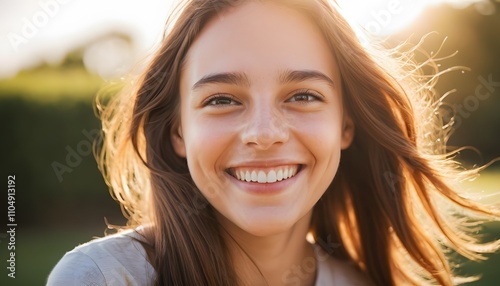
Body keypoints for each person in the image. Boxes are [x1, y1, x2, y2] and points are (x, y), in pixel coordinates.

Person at [47, 0, 499, 285]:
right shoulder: (102, 278)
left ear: (346, 125)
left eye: (303, 95)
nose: (264, 133)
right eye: (222, 99)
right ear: (178, 131)